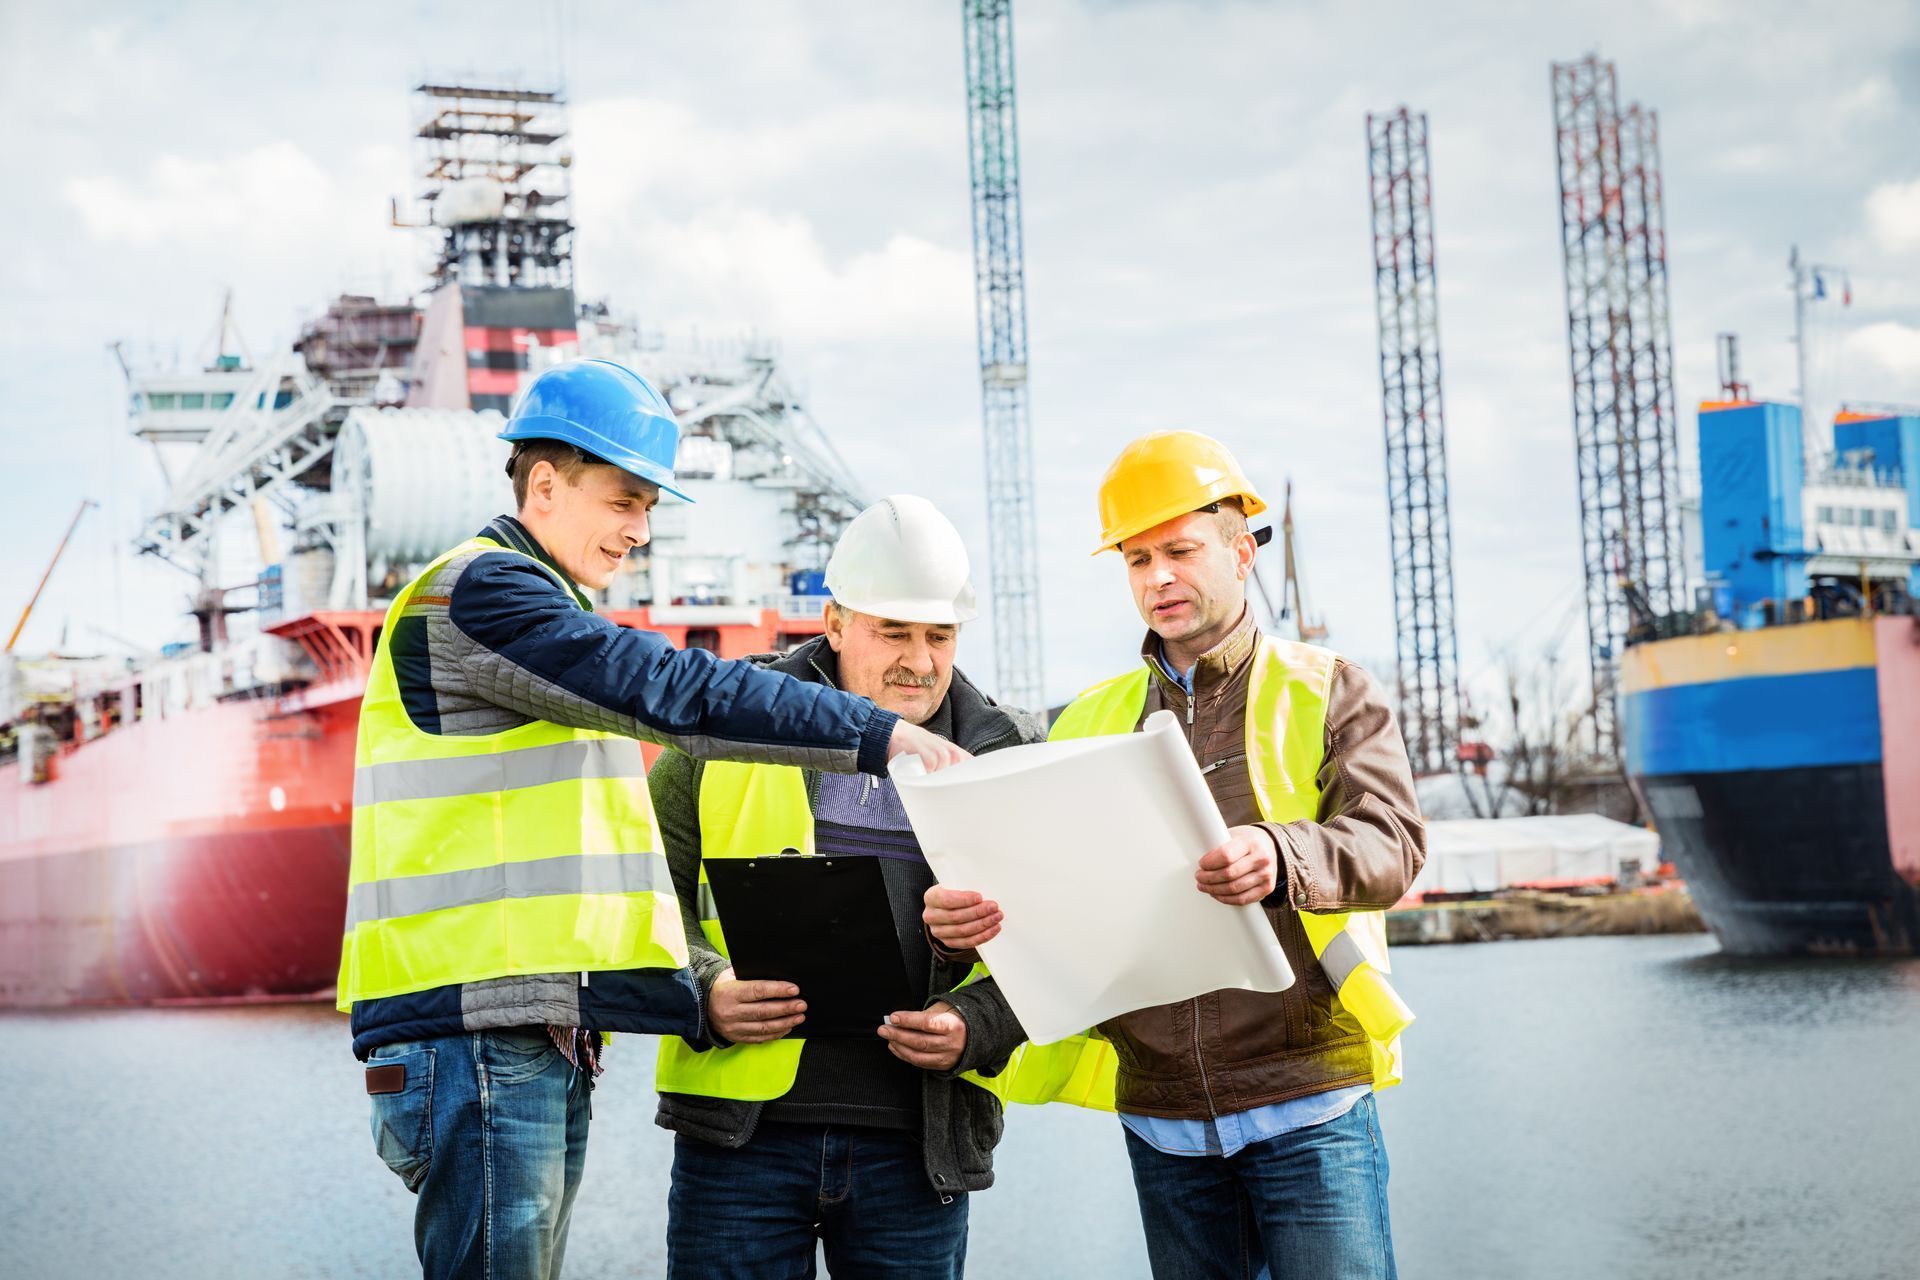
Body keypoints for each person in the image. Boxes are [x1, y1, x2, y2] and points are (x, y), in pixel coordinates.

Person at [340, 360, 966, 1280]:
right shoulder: (483, 596)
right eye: (625, 500)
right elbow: (669, 687)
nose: (640, 530)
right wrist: (880, 735)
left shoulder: (538, 612)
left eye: (650, 509)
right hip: (473, 1031)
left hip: (526, 1026)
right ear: (545, 484)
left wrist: (679, 994)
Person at [924, 432, 1426, 1279]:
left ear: (1241, 553)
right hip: (1162, 1118)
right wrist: (962, 928)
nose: (1158, 577)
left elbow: (1394, 844)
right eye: (1137, 559)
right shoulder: (1088, 718)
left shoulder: (1326, 686)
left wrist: (1279, 853)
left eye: (1181, 551)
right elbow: (1051, 902)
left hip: (1309, 1097)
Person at [649, 494, 1042, 1279]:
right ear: (832, 624)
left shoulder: (1007, 755)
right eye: (893, 631)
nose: (921, 661)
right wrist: (706, 990)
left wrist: (975, 1022)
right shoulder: (721, 724)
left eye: (940, 635)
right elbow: (642, 897)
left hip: (919, 1148)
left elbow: (1057, 939)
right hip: (742, 1143)